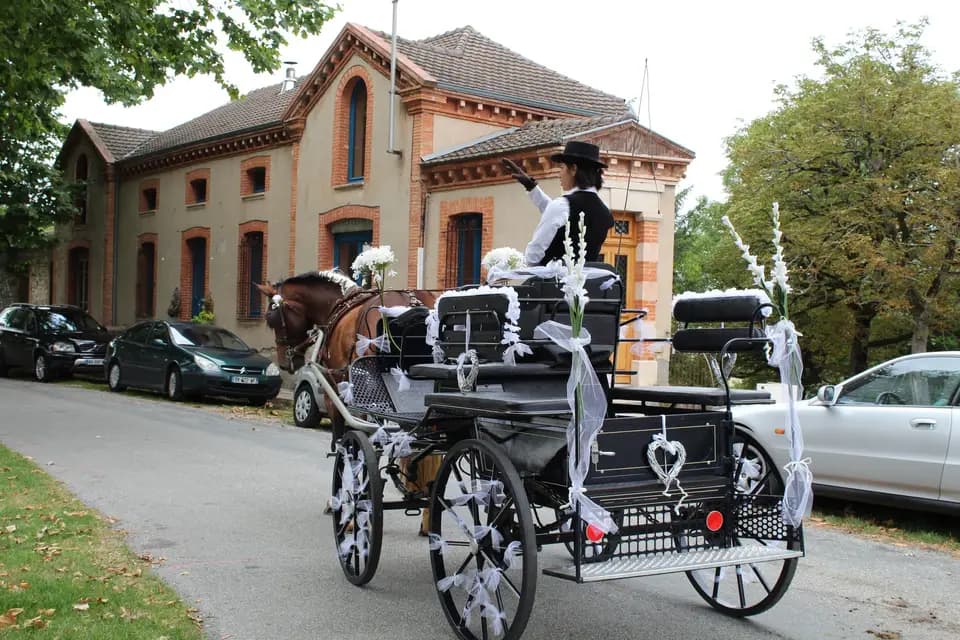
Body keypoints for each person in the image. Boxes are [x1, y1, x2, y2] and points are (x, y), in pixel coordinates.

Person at [503, 140, 614, 266]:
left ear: (573, 169)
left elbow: (534, 254)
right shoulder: (604, 211)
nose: (559, 174)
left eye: (562, 168)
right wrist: (531, 187)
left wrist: (515, 268)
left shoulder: (562, 205)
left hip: (551, 282)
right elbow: (563, 215)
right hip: (584, 282)